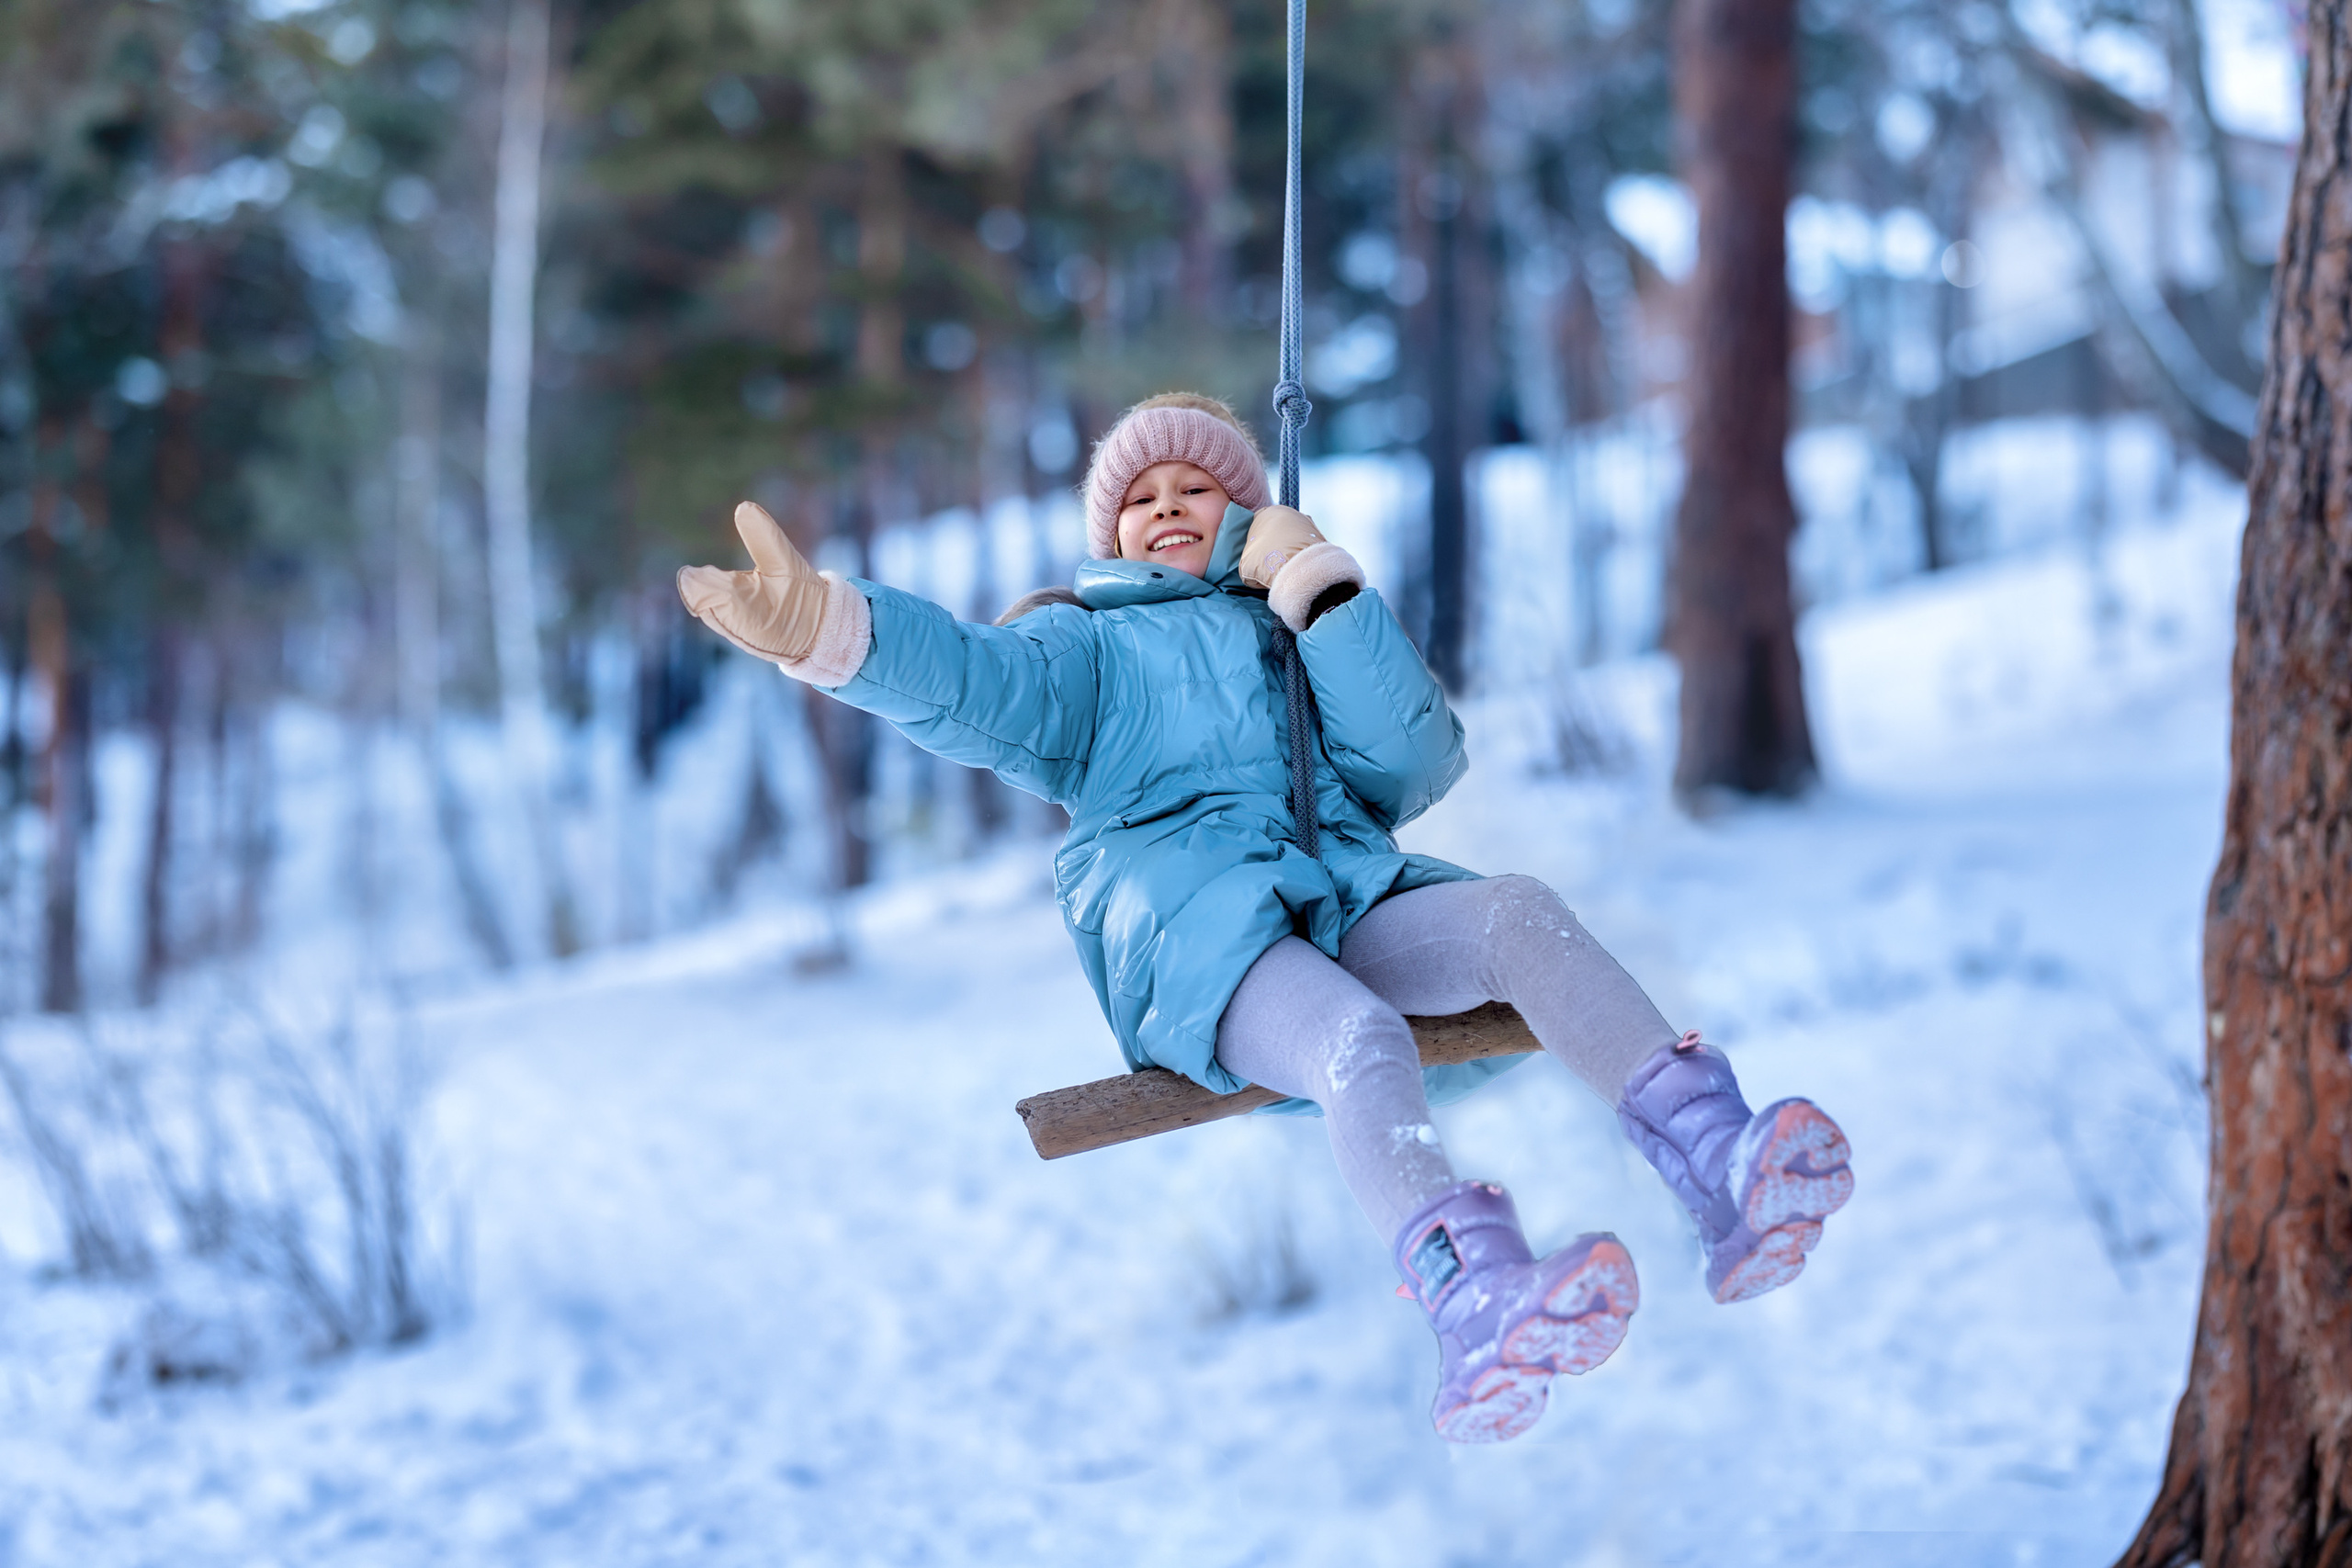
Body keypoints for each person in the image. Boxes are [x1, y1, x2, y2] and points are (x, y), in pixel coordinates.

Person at [678, 392, 1853, 1444]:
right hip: (1198, 940)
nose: (1169, 505)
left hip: (1341, 899)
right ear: (1111, 535)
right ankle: (1469, 1291)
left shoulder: (1295, 626)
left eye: (1197, 485)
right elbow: (972, 682)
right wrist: (832, 631)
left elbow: (1413, 761)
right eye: (1140, 496)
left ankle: (1715, 1156)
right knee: (1354, 1038)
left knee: (1516, 915)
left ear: (1247, 512)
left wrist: (1326, 598)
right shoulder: (1085, 651)